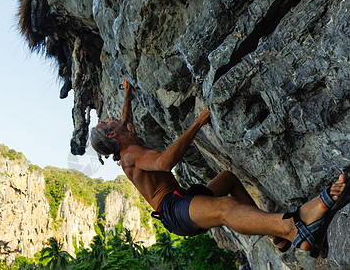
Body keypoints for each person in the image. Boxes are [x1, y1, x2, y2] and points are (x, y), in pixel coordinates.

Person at [90, 78, 349, 257]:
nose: (110, 118)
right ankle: (291, 228)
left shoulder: (127, 138)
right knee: (225, 209)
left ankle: (275, 236)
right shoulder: (130, 155)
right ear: (112, 136)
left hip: (182, 200)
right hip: (173, 210)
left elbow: (126, 119)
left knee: (227, 179)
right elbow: (164, 163)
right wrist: (198, 123)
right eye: (106, 123)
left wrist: (127, 93)